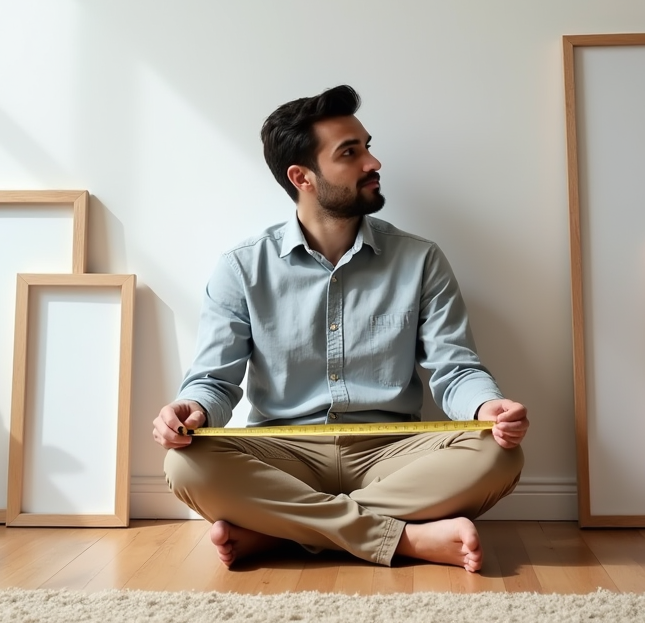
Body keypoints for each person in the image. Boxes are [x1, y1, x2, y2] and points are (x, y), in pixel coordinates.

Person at [153, 85, 528, 572]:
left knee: (499, 456)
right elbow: (215, 381)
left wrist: (486, 405)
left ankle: (280, 533)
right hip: (282, 452)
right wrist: (193, 408)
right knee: (183, 464)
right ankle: (406, 541)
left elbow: (454, 369)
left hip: (394, 452)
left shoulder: (421, 259)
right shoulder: (241, 268)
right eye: (350, 153)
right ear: (301, 177)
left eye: (367, 146)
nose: (373, 162)